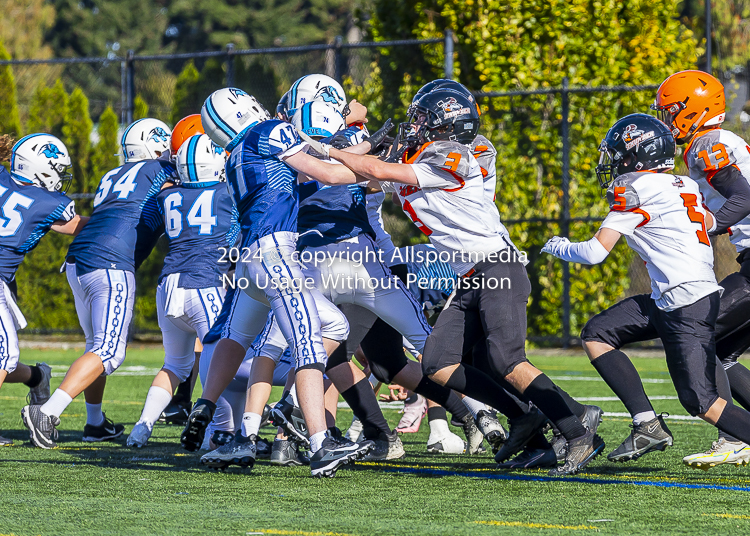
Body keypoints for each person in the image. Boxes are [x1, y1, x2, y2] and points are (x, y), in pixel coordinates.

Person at [309, 87, 601, 476]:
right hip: (470, 278)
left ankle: (577, 427)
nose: (414, 126)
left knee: (506, 359)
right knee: (438, 361)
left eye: (422, 119)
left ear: (442, 125)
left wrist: (331, 147)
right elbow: (349, 178)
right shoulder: (418, 159)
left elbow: (377, 171)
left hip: (498, 267)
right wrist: (341, 138)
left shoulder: (455, 156)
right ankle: (527, 424)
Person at [184, 87, 375, 477]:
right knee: (307, 342)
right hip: (276, 253)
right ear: (245, 107)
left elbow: (300, 178)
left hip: (248, 260)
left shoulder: (235, 153)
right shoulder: (270, 130)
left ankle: (207, 407)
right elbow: (328, 174)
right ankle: (322, 443)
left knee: (243, 335)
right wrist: (375, 157)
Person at [543, 112, 750, 465]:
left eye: (620, 155)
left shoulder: (634, 188)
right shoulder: (684, 184)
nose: (615, 163)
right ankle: (646, 423)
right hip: (673, 297)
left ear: (637, 156)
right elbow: (711, 222)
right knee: (598, 332)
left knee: (702, 402)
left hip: (685, 303)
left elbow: (594, 253)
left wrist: (557, 245)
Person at [21, 118, 174, 448]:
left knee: (96, 345)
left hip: (79, 259)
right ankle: (46, 412)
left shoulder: (113, 175)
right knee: (109, 351)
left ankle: (94, 423)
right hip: (112, 262)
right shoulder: (161, 169)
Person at [652, 70, 750, 469]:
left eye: (670, 111)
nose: (665, 120)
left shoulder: (707, 144)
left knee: (702, 333)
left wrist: (707, 227)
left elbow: (744, 196)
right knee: (723, 349)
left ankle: (735, 435)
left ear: (693, 109)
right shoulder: (714, 141)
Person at [127, 133, 238, 448]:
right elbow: (233, 237)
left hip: (168, 285)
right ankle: (215, 437)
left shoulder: (167, 196)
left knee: (175, 363)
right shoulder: (227, 192)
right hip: (203, 283)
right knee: (219, 360)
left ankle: (142, 427)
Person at [0, 134, 87, 446]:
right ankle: (37, 378)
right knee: (5, 355)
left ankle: (38, 378)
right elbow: (73, 225)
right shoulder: (51, 202)